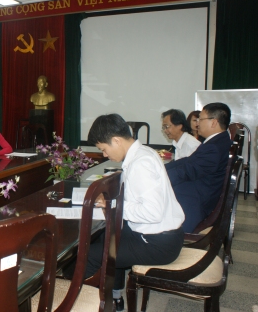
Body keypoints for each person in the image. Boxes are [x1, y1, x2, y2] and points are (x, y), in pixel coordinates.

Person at [67, 113, 185, 311]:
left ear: (116, 140)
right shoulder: (143, 153)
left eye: (103, 149)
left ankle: (77, 302)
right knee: (108, 235)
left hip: (159, 243)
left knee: (88, 255)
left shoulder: (141, 164)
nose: (104, 155)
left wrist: (112, 205)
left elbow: (152, 212)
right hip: (159, 235)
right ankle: (114, 297)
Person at [166, 102, 233, 233]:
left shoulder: (214, 147)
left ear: (213, 122)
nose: (197, 123)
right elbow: (188, 161)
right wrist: (162, 168)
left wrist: (160, 177)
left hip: (197, 201)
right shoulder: (218, 141)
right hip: (202, 191)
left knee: (156, 194)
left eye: (200, 119)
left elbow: (187, 171)